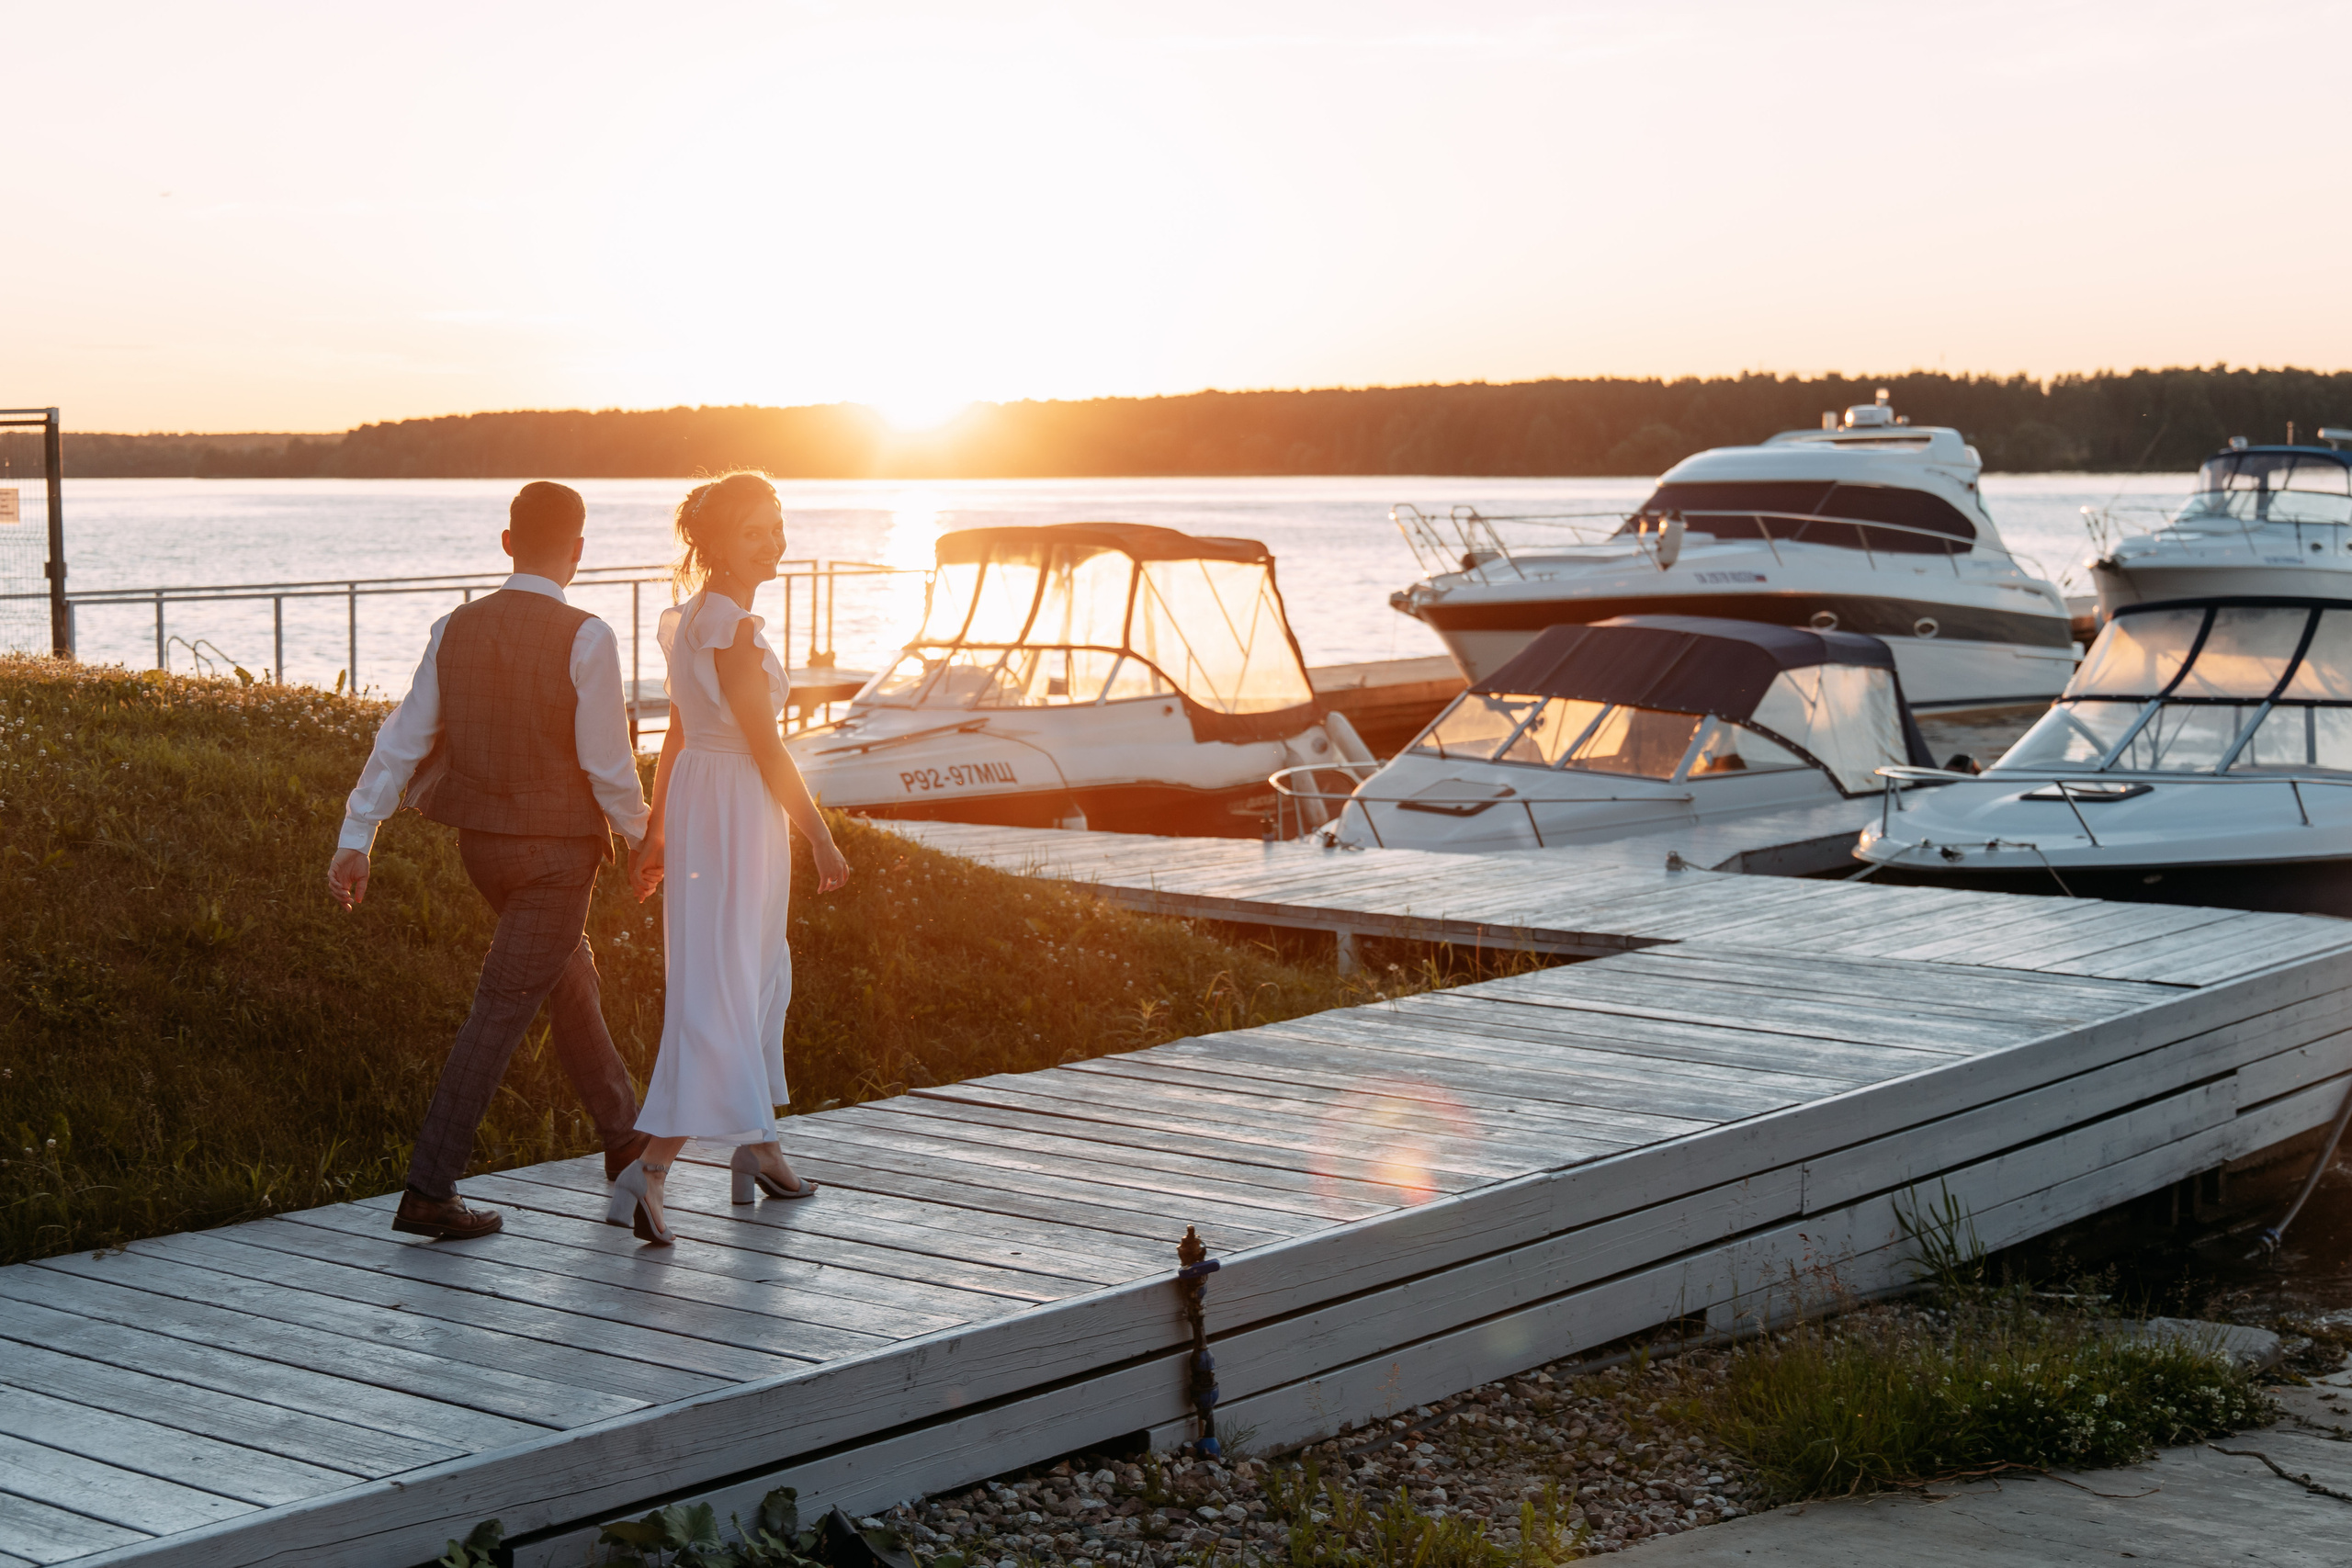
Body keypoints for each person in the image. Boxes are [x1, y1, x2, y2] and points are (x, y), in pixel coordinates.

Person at [327, 480, 655, 1240]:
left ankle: (625, 1141)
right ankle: (428, 1188)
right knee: (500, 1011)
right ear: (578, 550)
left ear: (506, 542)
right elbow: (609, 766)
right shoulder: (589, 636)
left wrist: (357, 834)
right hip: (557, 861)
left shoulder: (455, 628)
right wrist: (647, 838)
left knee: (569, 982)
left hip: (485, 853)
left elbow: (402, 739)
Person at [610, 469, 851, 1246]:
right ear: (714, 541)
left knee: (739, 971)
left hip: (704, 801)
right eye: (755, 530)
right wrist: (817, 831)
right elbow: (766, 746)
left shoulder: (687, 621)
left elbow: (677, 738)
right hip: (740, 808)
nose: (773, 542)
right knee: (724, 981)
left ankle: (760, 1148)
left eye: (777, 526)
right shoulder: (736, 632)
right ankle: (649, 1169)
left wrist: (657, 831)